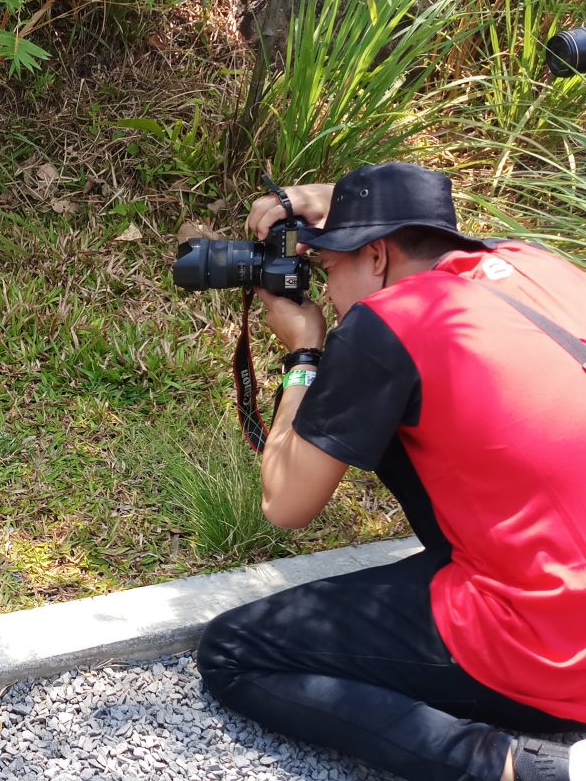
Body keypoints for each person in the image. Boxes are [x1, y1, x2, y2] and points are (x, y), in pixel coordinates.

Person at [194, 162, 586, 781]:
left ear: (376, 255)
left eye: (329, 269)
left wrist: (304, 355)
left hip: (555, 644)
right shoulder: (540, 264)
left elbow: (285, 505)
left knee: (235, 651)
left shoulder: (395, 322)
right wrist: (326, 201)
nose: (327, 292)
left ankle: (523, 767)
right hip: (564, 568)